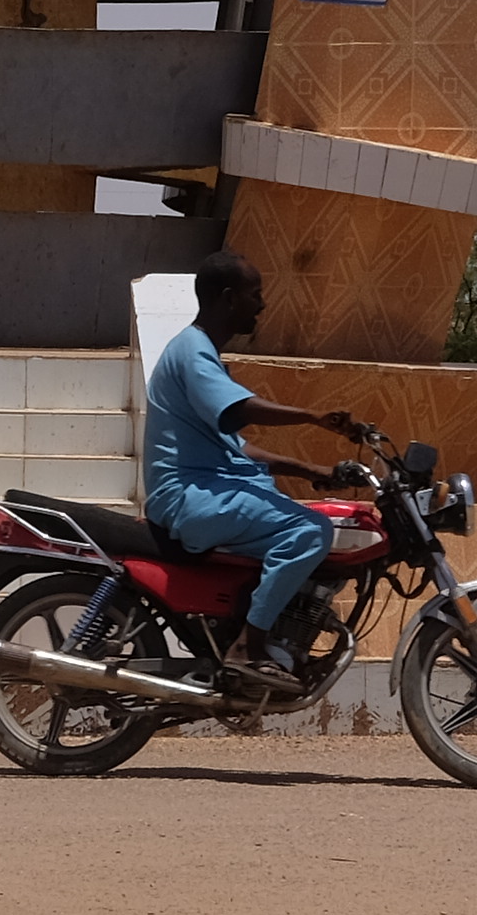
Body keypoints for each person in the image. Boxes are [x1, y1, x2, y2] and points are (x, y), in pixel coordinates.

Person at [140, 251, 368, 694]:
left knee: (297, 514)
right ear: (229, 299)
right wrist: (313, 416)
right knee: (309, 532)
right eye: (255, 295)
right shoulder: (192, 352)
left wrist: (313, 470)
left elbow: (241, 448)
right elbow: (241, 410)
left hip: (208, 487)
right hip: (188, 495)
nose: (261, 305)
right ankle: (249, 647)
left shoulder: (199, 352)